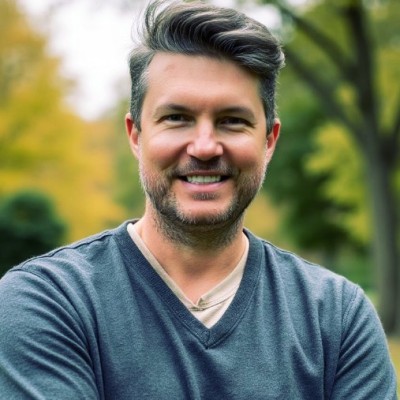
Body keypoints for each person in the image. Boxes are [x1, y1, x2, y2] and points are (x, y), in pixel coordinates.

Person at [0, 0, 396, 398]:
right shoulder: (48, 301)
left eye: (232, 121)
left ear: (269, 141)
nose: (205, 147)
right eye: (177, 118)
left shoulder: (336, 318)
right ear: (136, 135)